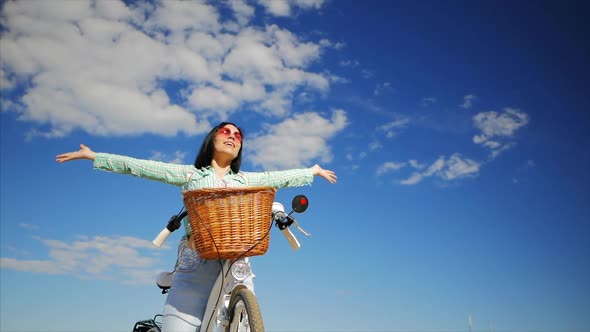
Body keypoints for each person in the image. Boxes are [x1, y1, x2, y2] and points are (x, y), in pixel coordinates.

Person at [56, 122, 337, 331]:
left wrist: (311, 171)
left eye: (238, 136)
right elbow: (141, 166)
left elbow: (277, 177)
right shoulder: (190, 174)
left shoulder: (247, 180)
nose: (233, 137)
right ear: (211, 139)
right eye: (226, 132)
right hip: (196, 263)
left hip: (237, 258)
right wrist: (94, 156)